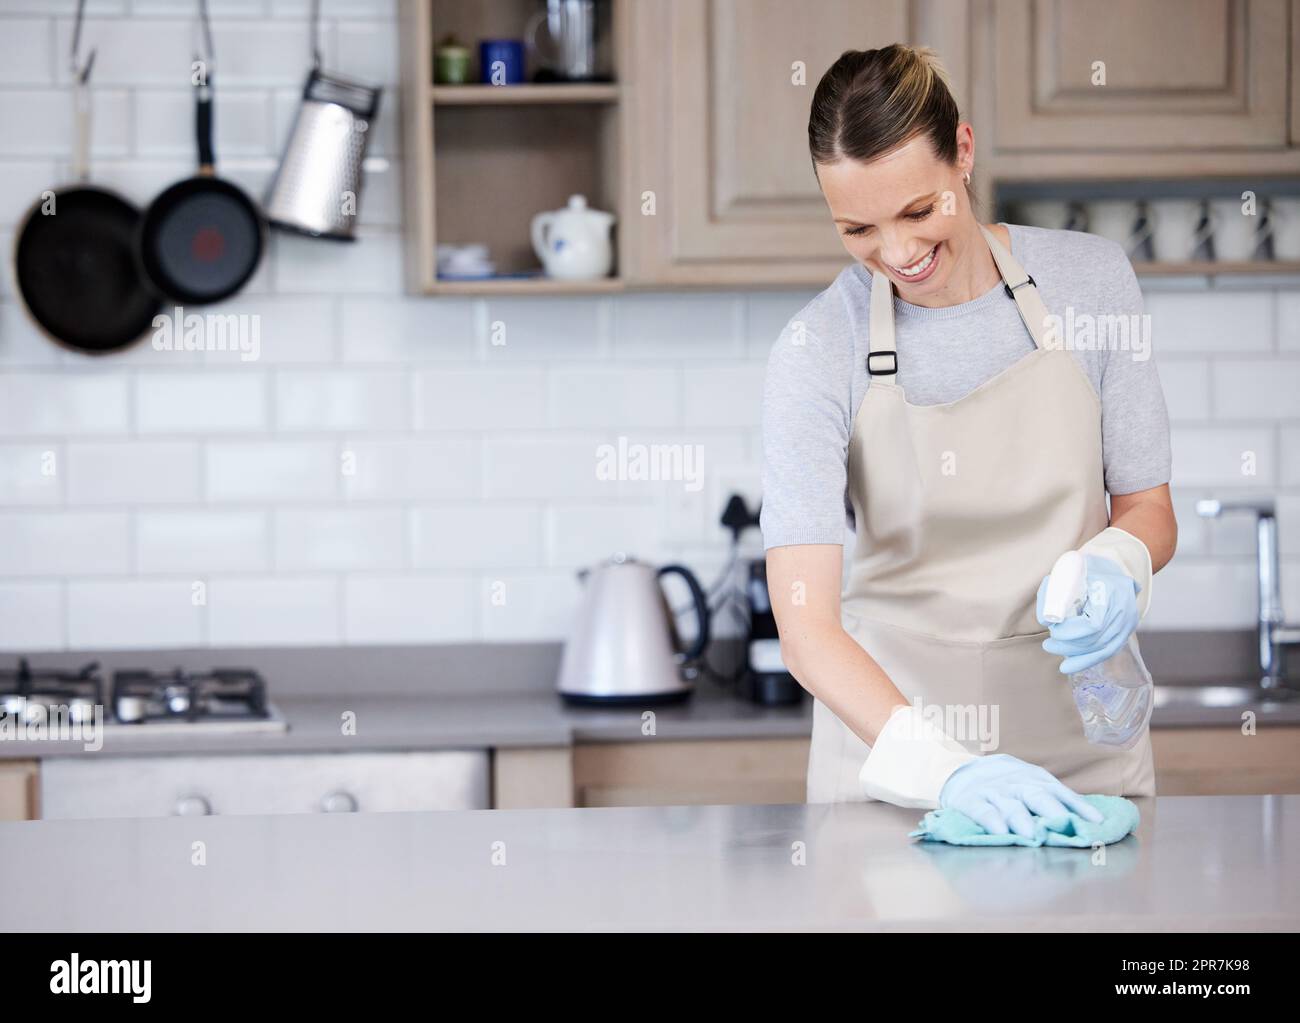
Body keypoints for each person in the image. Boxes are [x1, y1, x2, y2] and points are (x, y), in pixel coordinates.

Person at [760, 44, 1176, 838]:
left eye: (918, 212)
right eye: (857, 228)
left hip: (1082, 755)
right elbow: (806, 624)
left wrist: (1117, 564)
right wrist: (947, 771)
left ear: (965, 153)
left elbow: (1149, 508)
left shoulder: (1092, 285)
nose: (897, 254)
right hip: (899, 768)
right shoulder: (818, 347)